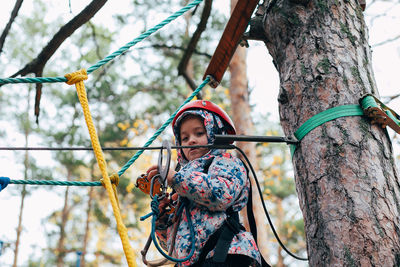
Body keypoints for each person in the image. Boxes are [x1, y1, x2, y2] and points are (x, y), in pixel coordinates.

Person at [146, 100, 261, 267]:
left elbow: (220, 195)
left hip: (226, 253)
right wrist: (162, 219)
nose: (191, 140)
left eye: (199, 133)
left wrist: (175, 179)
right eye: (184, 138)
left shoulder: (226, 163)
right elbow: (171, 247)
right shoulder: (182, 184)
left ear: (215, 132)